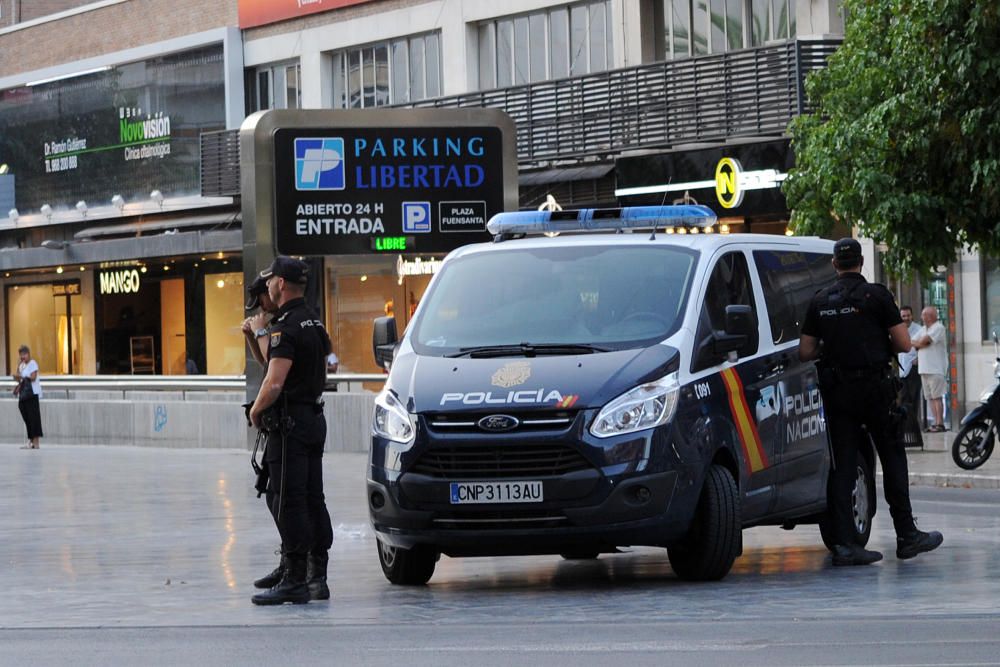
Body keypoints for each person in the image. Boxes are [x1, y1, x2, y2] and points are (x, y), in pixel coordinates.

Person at [799, 238, 942, 566]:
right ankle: (907, 536)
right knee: (892, 458)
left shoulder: (819, 300)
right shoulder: (876, 295)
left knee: (844, 465)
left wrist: (833, 349)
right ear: (861, 262)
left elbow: (805, 351)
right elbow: (905, 343)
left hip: (838, 394)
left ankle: (846, 544)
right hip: (876, 391)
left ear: (834, 265)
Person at [249, 256, 333, 605]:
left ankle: (295, 577)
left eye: (271, 281)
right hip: (313, 419)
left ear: (281, 284)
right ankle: (314, 575)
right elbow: (284, 365)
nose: (267, 286)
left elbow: (273, 381)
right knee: (312, 498)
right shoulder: (313, 321)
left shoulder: (286, 326)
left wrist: (256, 412)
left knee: (286, 500)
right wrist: (257, 337)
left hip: (291, 425)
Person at [912, 306, 948, 432]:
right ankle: (935, 422)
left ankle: (940, 423)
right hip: (924, 368)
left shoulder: (938, 327)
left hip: (935, 368)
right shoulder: (923, 329)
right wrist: (919, 344)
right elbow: (914, 342)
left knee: (937, 397)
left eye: (924, 315)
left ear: (930, 316)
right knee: (930, 397)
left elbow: (924, 342)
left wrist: (919, 344)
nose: (922, 317)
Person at [896, 306, 923, 447]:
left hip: (913, 368)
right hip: (902, 369)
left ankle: (914, 428)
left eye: (908, 316)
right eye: (903, 316)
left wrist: (918, 358)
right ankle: (905, 427)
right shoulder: (899, 329)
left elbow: (922, 345)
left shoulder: (918, 329)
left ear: (912, 316)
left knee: (913, 398)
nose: (905, 318)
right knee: (902, 398)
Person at [241, 275, 279, 369]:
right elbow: (264, 363)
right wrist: (250, 335)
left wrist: (260, 331)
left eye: (261, 302)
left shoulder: (286, 322)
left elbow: (273, 362)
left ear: (270, 292)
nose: (262, 308)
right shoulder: (275, 322)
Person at [12, 344, 43, 450]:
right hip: (23, 395)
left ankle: (36, 442)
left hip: (32, 394)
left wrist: (22, 376)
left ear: (28, 354)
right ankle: (30, 440)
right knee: (27, 417)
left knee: (34, 418)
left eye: (24, 354)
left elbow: (33, 378)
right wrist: (17, 375)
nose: (22, 357)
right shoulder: (21, 365)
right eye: (20, 355)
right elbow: (19, 379)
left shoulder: (32, 363)